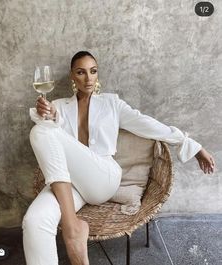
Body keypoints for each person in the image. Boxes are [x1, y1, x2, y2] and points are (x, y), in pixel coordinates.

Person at [22, 51, 215, 265]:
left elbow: (149, 125)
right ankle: (73, 225)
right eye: (81, 72)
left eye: (93, 71)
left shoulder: (112, 104)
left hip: (103, 178)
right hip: (70, 184)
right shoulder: (59, 106)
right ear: (72, 76)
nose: (88, 78)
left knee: (40, 131)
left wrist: (192, 145)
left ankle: (70, 227)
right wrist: (47, 116)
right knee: (34, 221)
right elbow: (52, 138)